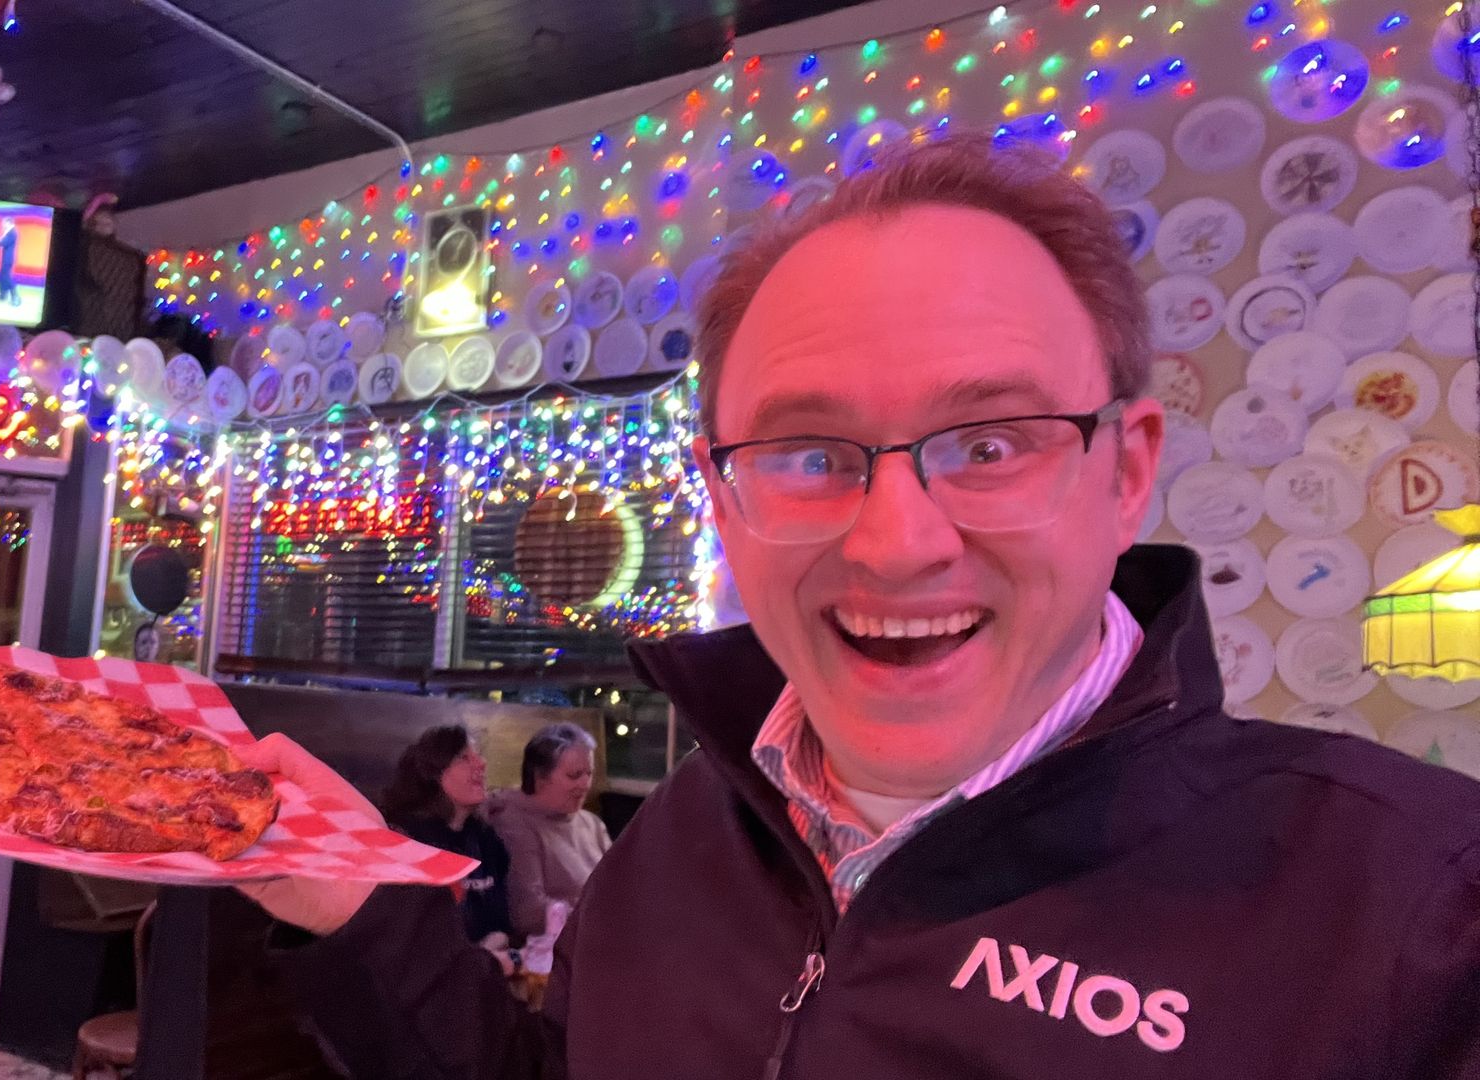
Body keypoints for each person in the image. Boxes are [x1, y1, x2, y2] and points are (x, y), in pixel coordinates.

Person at [238, 135, 1480, 1078]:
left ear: (1126, 471)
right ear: (723, 499)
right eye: (809, 455)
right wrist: (359, 906)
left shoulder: (1415, 919)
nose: (895, 543)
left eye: (990, 444)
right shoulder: (682, 836)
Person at [377, 725, 516, 970]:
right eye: (464, 758)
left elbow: (501, 923)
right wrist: (475, 959)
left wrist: (489, 949)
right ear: (433, 773)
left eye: (478, 756)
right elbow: (407, 940)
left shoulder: (485, 839)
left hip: (482, 970)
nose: (481, 764)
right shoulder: (407, 841)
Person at [486, 723, 610, 939]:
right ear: (540, 777)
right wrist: (601, 917)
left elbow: (621, 884)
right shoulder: (513, 823)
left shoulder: (592, 824)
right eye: (574, 775)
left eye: (589, 774)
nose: (585, 784)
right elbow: (528, 912)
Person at [0, 218, 20, 304]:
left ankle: (15, 296)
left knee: (6, 277)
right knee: (2, 276)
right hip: (6, 258)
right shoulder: (8, 231)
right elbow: (3, 241)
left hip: (8, 258)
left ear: (8, 222)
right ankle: (3, 295)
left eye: (4, 223)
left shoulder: (12, 232)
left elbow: (4, 242)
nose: (2, 225)